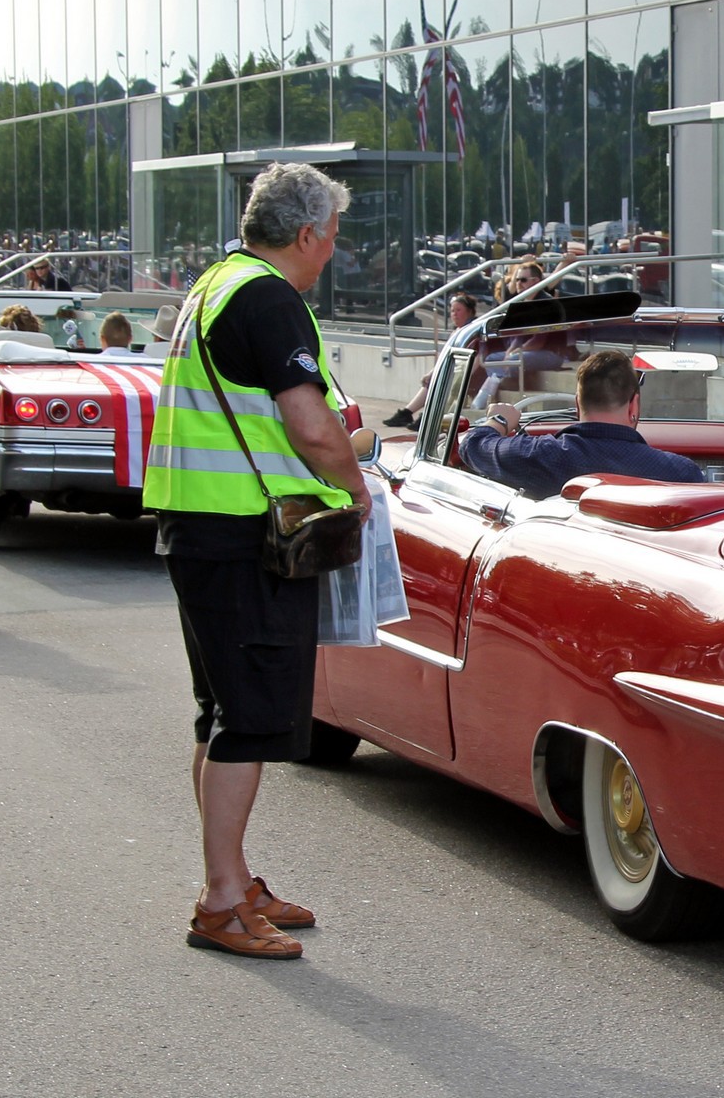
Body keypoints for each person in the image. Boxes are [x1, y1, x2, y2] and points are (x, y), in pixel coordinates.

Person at [144, 162, 369, 963]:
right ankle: (219, 901)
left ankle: (233, 880)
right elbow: (309, 425)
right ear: (306, 233)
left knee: (220, 713)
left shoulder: (216, 283)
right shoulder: (270, 298)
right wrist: (355, 487)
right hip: (246, 533)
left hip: (200, 523)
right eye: (332, 235)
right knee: (249, 721)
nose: (333, 251)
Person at [459, 348, 706, 500]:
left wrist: (500, 420)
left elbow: (473, 444)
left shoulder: (540, 455)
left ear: (578, 404)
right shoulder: (681, 473)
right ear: (634, 406)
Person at [383, 292, 480, 429]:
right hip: (453, 368)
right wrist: (431, 373)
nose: (454, 314)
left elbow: (476, 358)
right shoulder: (456, 332)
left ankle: (426, 415)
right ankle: (407, 413)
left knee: (442, 379)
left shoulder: (473, 331)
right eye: (452, 310)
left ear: (469, 312)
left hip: (466, 370)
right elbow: (445, 357)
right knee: (432, 379)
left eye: (459, 310)